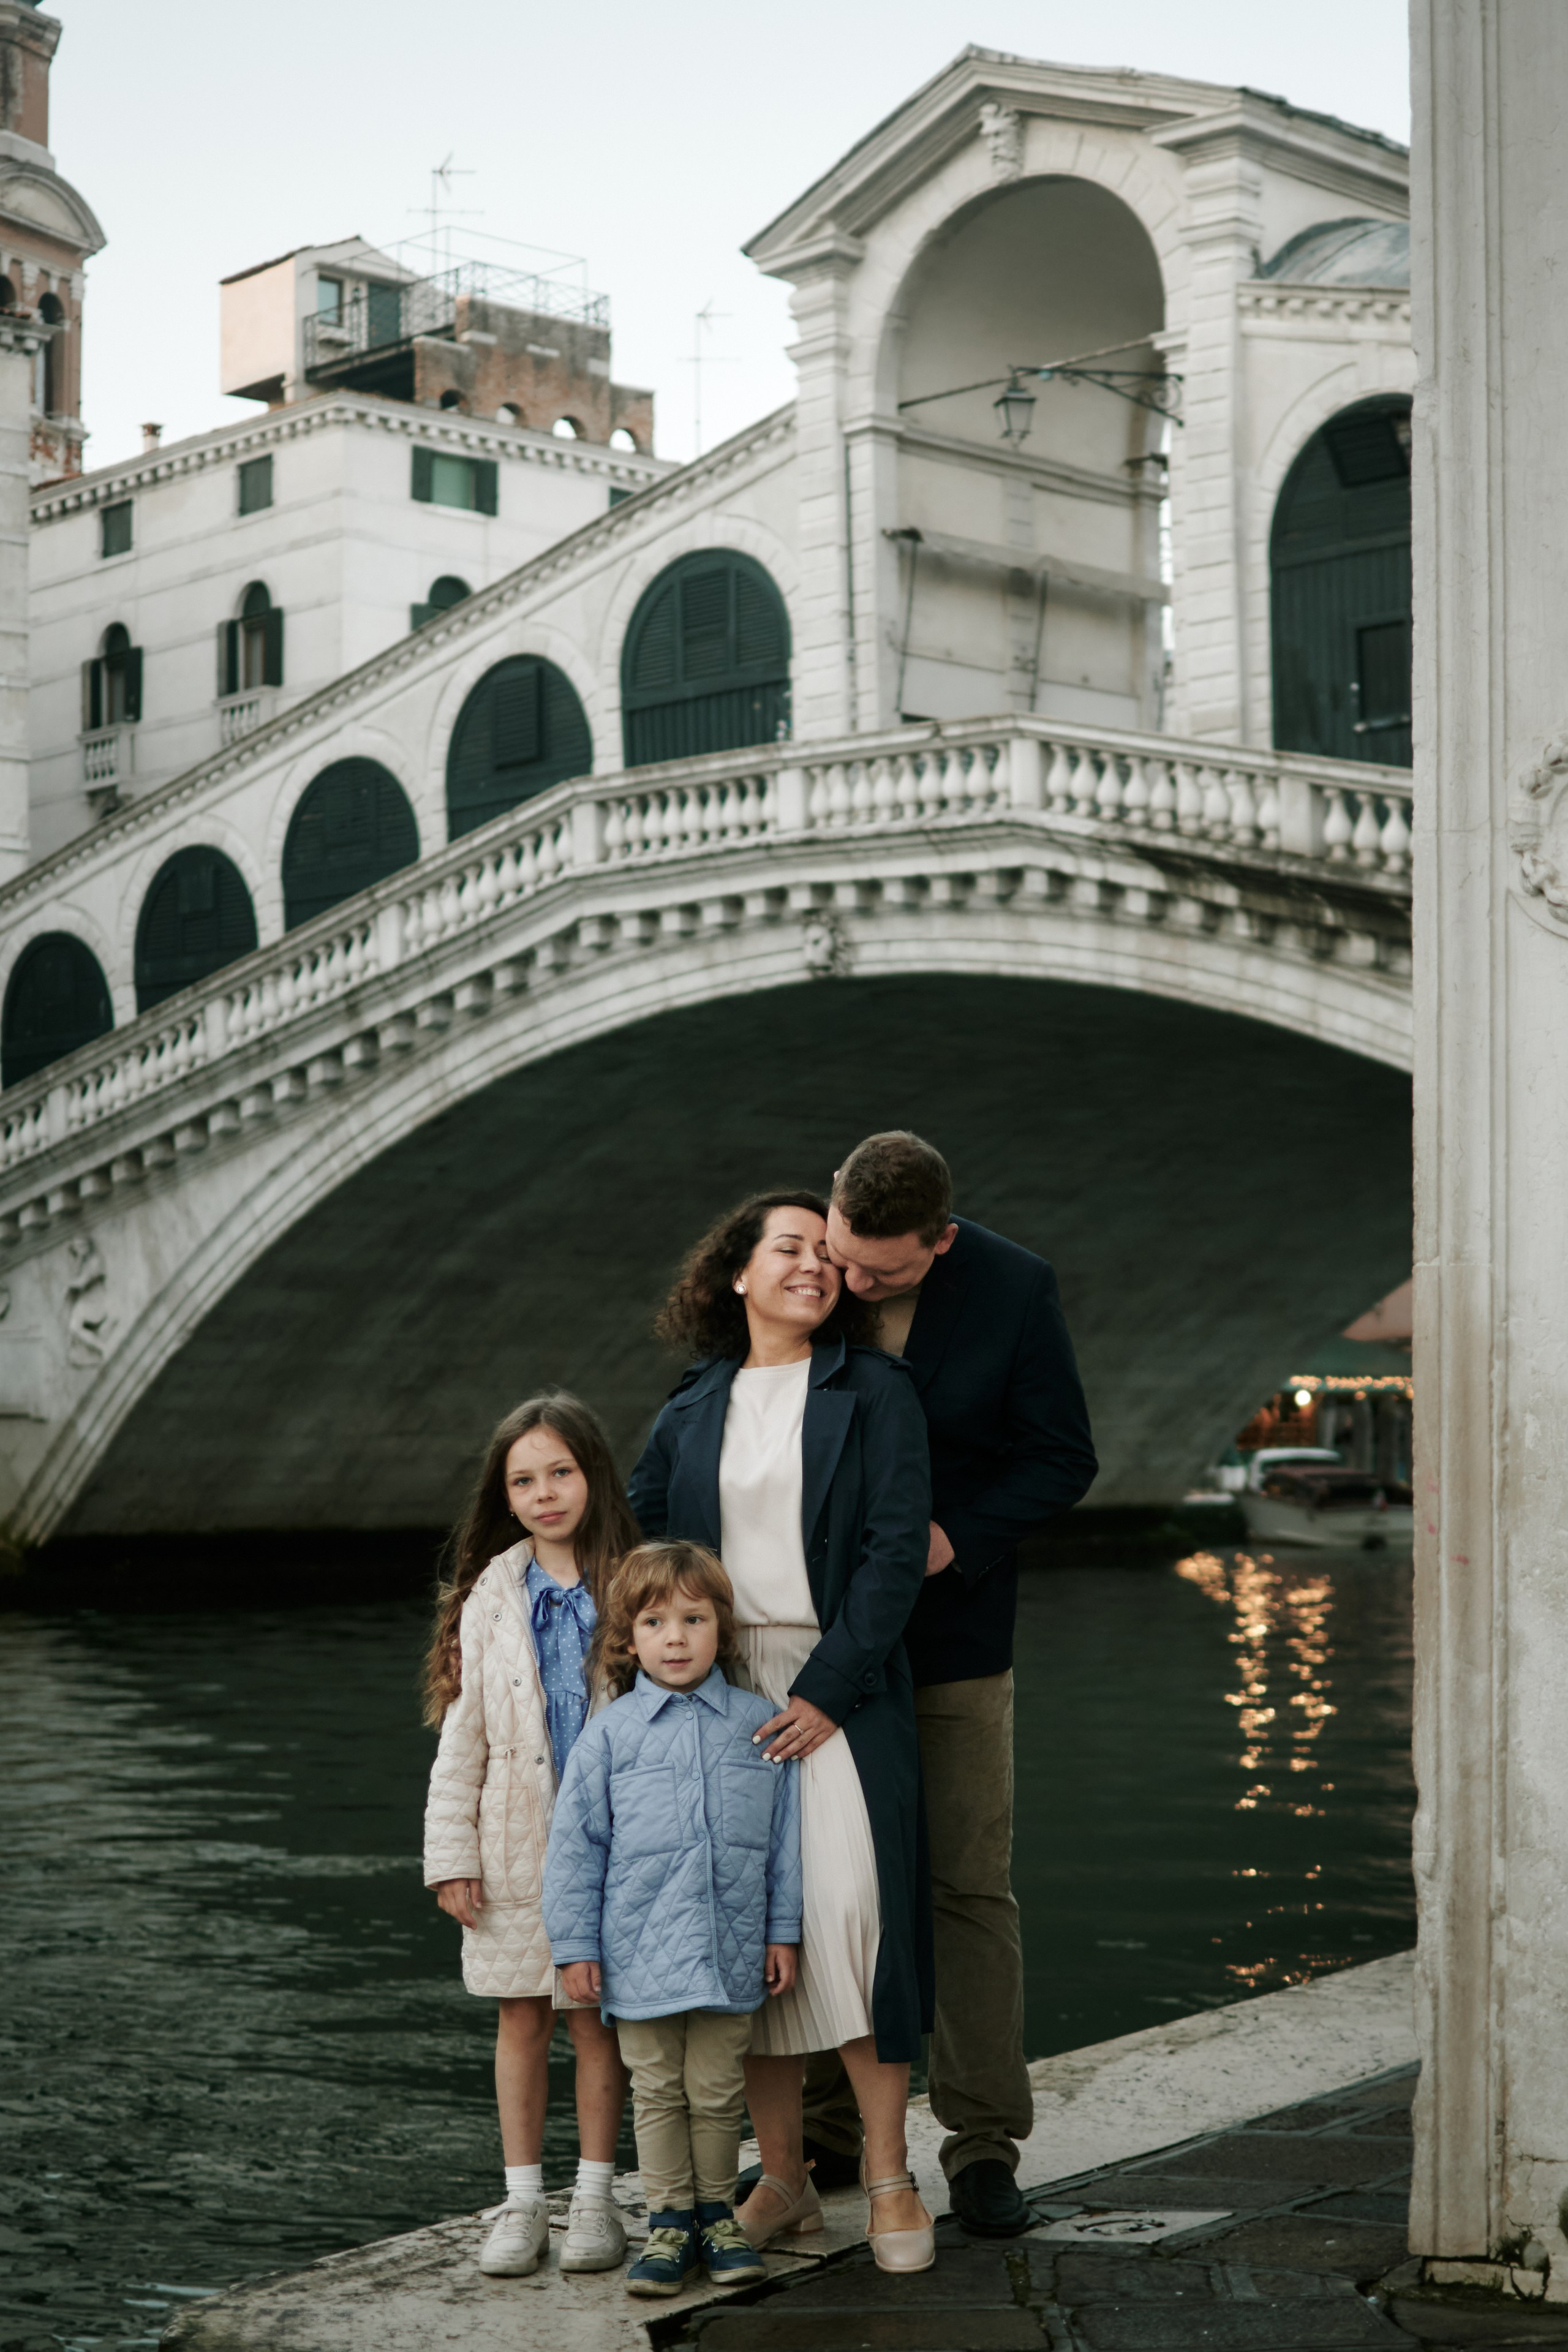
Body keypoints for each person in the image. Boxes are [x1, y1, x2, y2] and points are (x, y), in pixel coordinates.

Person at [629, 1191, 937, 2275]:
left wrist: (828, 1689)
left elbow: (896, 1552)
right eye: (790, 1248)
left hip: (839, 1684)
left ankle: (891, 2176)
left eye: (825, 1253)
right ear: (737, 1273)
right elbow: (645, 1544)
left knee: (853, 1920)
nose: (814, 1265)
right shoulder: (690, 1405)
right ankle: (785, 2180)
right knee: (747, 1937)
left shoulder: (877, 1390)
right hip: (722, 1694)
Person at [804, 1131, 1098, 2239]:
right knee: (828, 1886)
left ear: (943, 1240)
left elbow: (1062, 1457)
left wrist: (955, 1538)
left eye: (882, 1272)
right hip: (816, 1642)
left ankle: (982, 2145)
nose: (852, 1283)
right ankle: (827, 2132)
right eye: (845, 1257)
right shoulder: (806, 1260)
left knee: (969, 1891)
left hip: (956, 1638)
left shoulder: (1016, 1288)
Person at [543, 1542, 801, 2299]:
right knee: (656, 2088)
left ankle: (718, 2219)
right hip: (637, 1951)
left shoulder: (759, 1725)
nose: (676, 1639)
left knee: (718, 2090)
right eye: (655, 1623)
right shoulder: (611, 1734)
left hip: (730, 1946)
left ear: (723, 1628)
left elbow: (785, 1842)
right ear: (629, 1639)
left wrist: (781, 1930)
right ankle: (667, 2224)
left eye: (694, 1620)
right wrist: (576, 1946)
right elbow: (576, 1847)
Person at [422, 1393, 636, 2280]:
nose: (544, 1494)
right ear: (504, 1497)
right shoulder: (492, 1595)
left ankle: (595, 2198)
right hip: (512, 1840)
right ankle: (521, 2202)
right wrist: (452, 1856)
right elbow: (463, 1736)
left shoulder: (635, 1580)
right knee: (519, 2016)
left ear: (593, 1475)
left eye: (560, 1473)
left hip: (615, 1844)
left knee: (594, 2020)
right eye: (523, 1481)